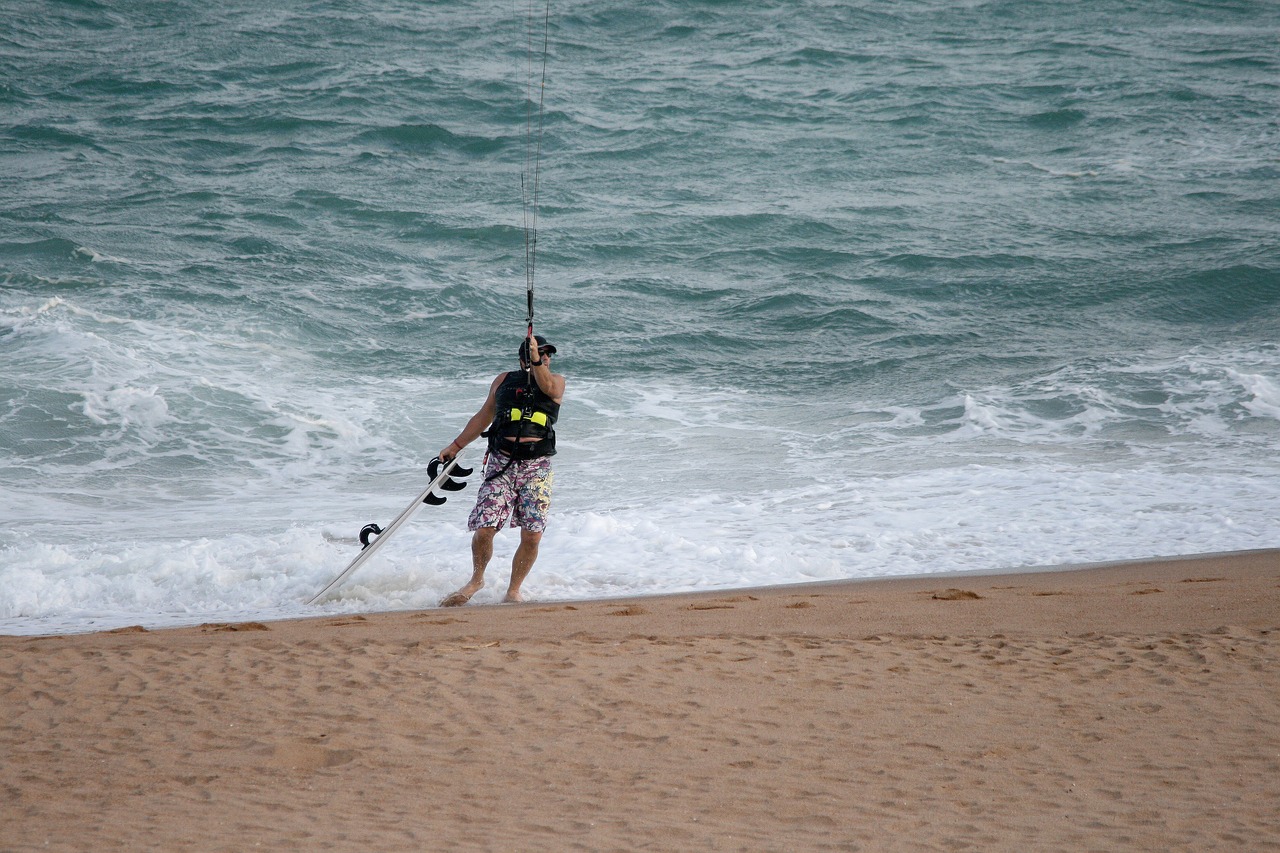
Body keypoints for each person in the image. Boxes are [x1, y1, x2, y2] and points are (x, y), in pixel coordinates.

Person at [437, 331, 565, 606]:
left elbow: (548, 389)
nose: (546, 359)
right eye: (541, 354)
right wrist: (455, 446)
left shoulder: (555, 383)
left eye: (547, 356)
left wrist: (536, 363)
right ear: (523, 359)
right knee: (485, 527)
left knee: (532, 535)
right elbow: (483, 417)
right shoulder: (503, 381)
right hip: (501, 464)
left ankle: (514, 590)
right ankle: (476, 579)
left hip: (537, 468)